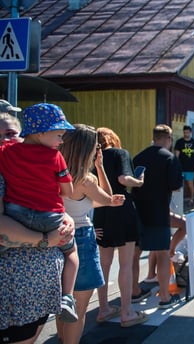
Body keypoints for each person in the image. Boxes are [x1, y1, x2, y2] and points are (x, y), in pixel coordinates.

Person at [0, 108, 76, 344]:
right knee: (72, 251)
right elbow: (67, 191)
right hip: (14, 294)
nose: (5, 139)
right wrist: (47, 238)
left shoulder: (8, 154)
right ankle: (68, 297)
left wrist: (66, 218)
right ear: (41, 133)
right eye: (59, 135)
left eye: (11, 133)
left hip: (18, 214)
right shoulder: (52, 157)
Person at [55, 124, 134, 342]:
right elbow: (108, 199)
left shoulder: (53, 173)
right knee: (77, 310)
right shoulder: (85, 179)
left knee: (62, 306)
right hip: (80, 240)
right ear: (88, 150)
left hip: (56, 239)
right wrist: (100, 167)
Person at [92, 127, 147, 318]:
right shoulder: (120, 153)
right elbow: (123, 179)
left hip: (99, 209)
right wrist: (139, 182)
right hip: (122, 208)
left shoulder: (90, 158)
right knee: (125, 263)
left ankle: (103, 309)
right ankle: (126, 312)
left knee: (104, 264)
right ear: (113, 139)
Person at [132, 124, 183, 308]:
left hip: (137, 212)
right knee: (162, 254)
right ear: (169, 139)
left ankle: (134, 292)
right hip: (159, 212)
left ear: (154, 137)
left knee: (134, 255)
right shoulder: (170, 158)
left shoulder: (139, 157)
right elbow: (176, 185)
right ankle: (164, 297)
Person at [174, 125, 194, 207]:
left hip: (190, 168)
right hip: (180, 168)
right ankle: (179, 202)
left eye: (187, 132)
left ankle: (191, 200)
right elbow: (176, 156)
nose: (186, 134)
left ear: (190, 133)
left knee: (190, 185)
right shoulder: (179, 142)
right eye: (184, 132)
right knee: (179, 185)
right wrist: (176, 166)